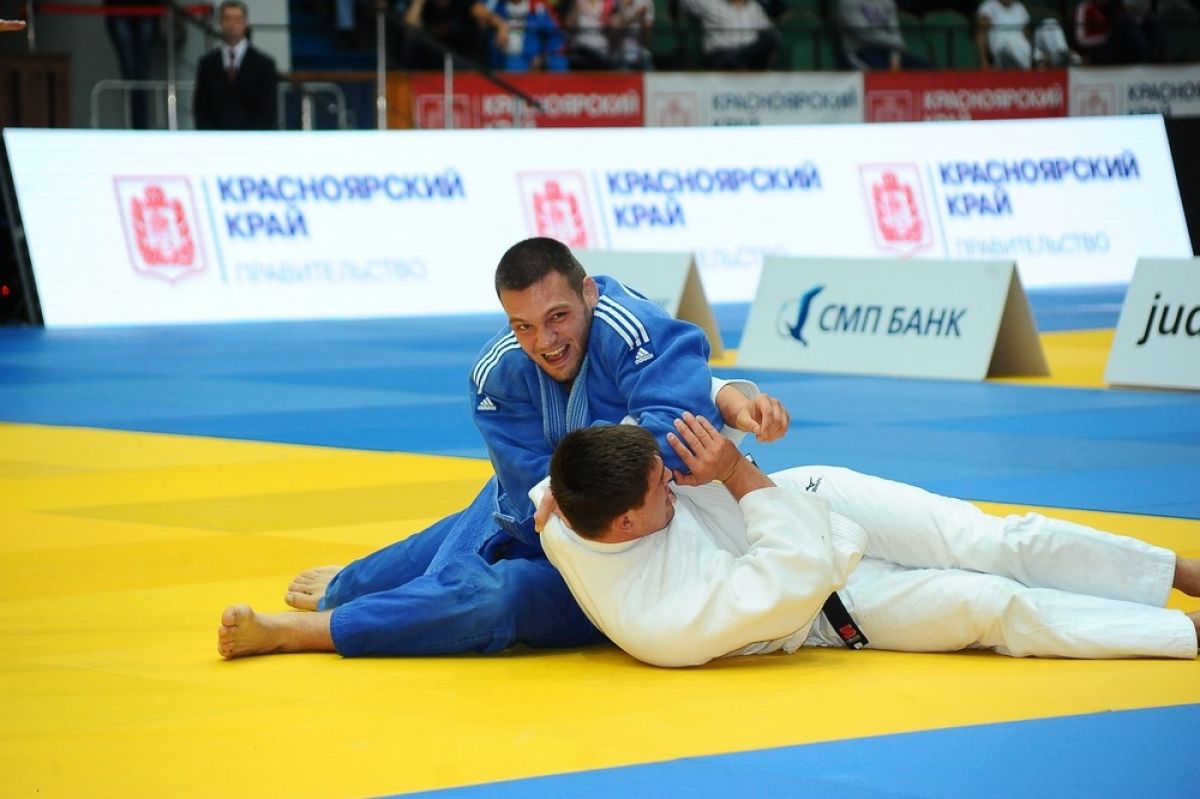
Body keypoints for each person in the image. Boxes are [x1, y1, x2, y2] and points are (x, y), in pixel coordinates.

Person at [218, 238, 789, 659]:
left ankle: (305, 633)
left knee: (495, 597)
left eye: (558, 316)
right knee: (452, 546)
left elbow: (678, 425)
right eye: (524, 326)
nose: (546, 341)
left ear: (588, 293)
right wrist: (559, 498)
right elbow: (525, 485)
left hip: (626, 534)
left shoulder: (636, 330)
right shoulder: (497, 373)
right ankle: (352, 586)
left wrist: (728, 401)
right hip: (539, 510)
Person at [540, 414, 1200, 668]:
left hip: (808, 495)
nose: (673, 484)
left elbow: (546, 489)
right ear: (623, 525)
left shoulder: (567, 504)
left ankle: (1181, 570)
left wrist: (736, 405)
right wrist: (735, 472)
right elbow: (794, 571)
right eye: (660, 488)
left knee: (991, 537)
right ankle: (1183, 632)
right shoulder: (661, 621)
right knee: (993, 605)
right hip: (828, 606)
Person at [193, 0, 278, 130]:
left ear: (246, 23)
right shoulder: (206, 64)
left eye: (237, 19)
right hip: (215, 139)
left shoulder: (265, 65)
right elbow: (201, 108)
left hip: (253, 138)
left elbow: (268, 112)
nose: (232, 24)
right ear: (220, 23)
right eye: (227, 19)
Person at [401, 0, 511, 68]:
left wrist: (501, 26)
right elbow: (409, 27)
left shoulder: (463, 2)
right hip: (434, 60)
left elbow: (486, 15)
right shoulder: (426, 6)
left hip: (462, 60)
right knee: (412, 40)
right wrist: (418, 2)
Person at [104, 0, 161, 129]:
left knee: (141, 71)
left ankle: (140, 125)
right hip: (120, 9)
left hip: (147, 9)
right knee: (130, 71)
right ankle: (136, 124)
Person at [676, 0, 782, 69]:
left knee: (771, 37)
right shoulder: (710, 3)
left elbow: (769, 30)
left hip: (748, 55)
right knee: (730, 59)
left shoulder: (754, 7)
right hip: (721, 55)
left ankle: (742, 62)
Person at [835, 0, 931, 69]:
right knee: (882, 71)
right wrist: (894, 43)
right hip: (860, 52)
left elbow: (894, 31)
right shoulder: (848, 2)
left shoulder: (887, 2)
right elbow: (865, 33)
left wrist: (895, 55)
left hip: (887, 51)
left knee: (927, 68)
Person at [975, 0, 1033, 68]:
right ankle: (1035, 64)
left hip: (1019, 52)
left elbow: (1027, 36)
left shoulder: (1020, 7)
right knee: (1011, 39)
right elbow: (981, 35)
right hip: (1000, 50)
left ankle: (1035, 62)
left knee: (1017, 39)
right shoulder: (989, 5)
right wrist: (984, 62)